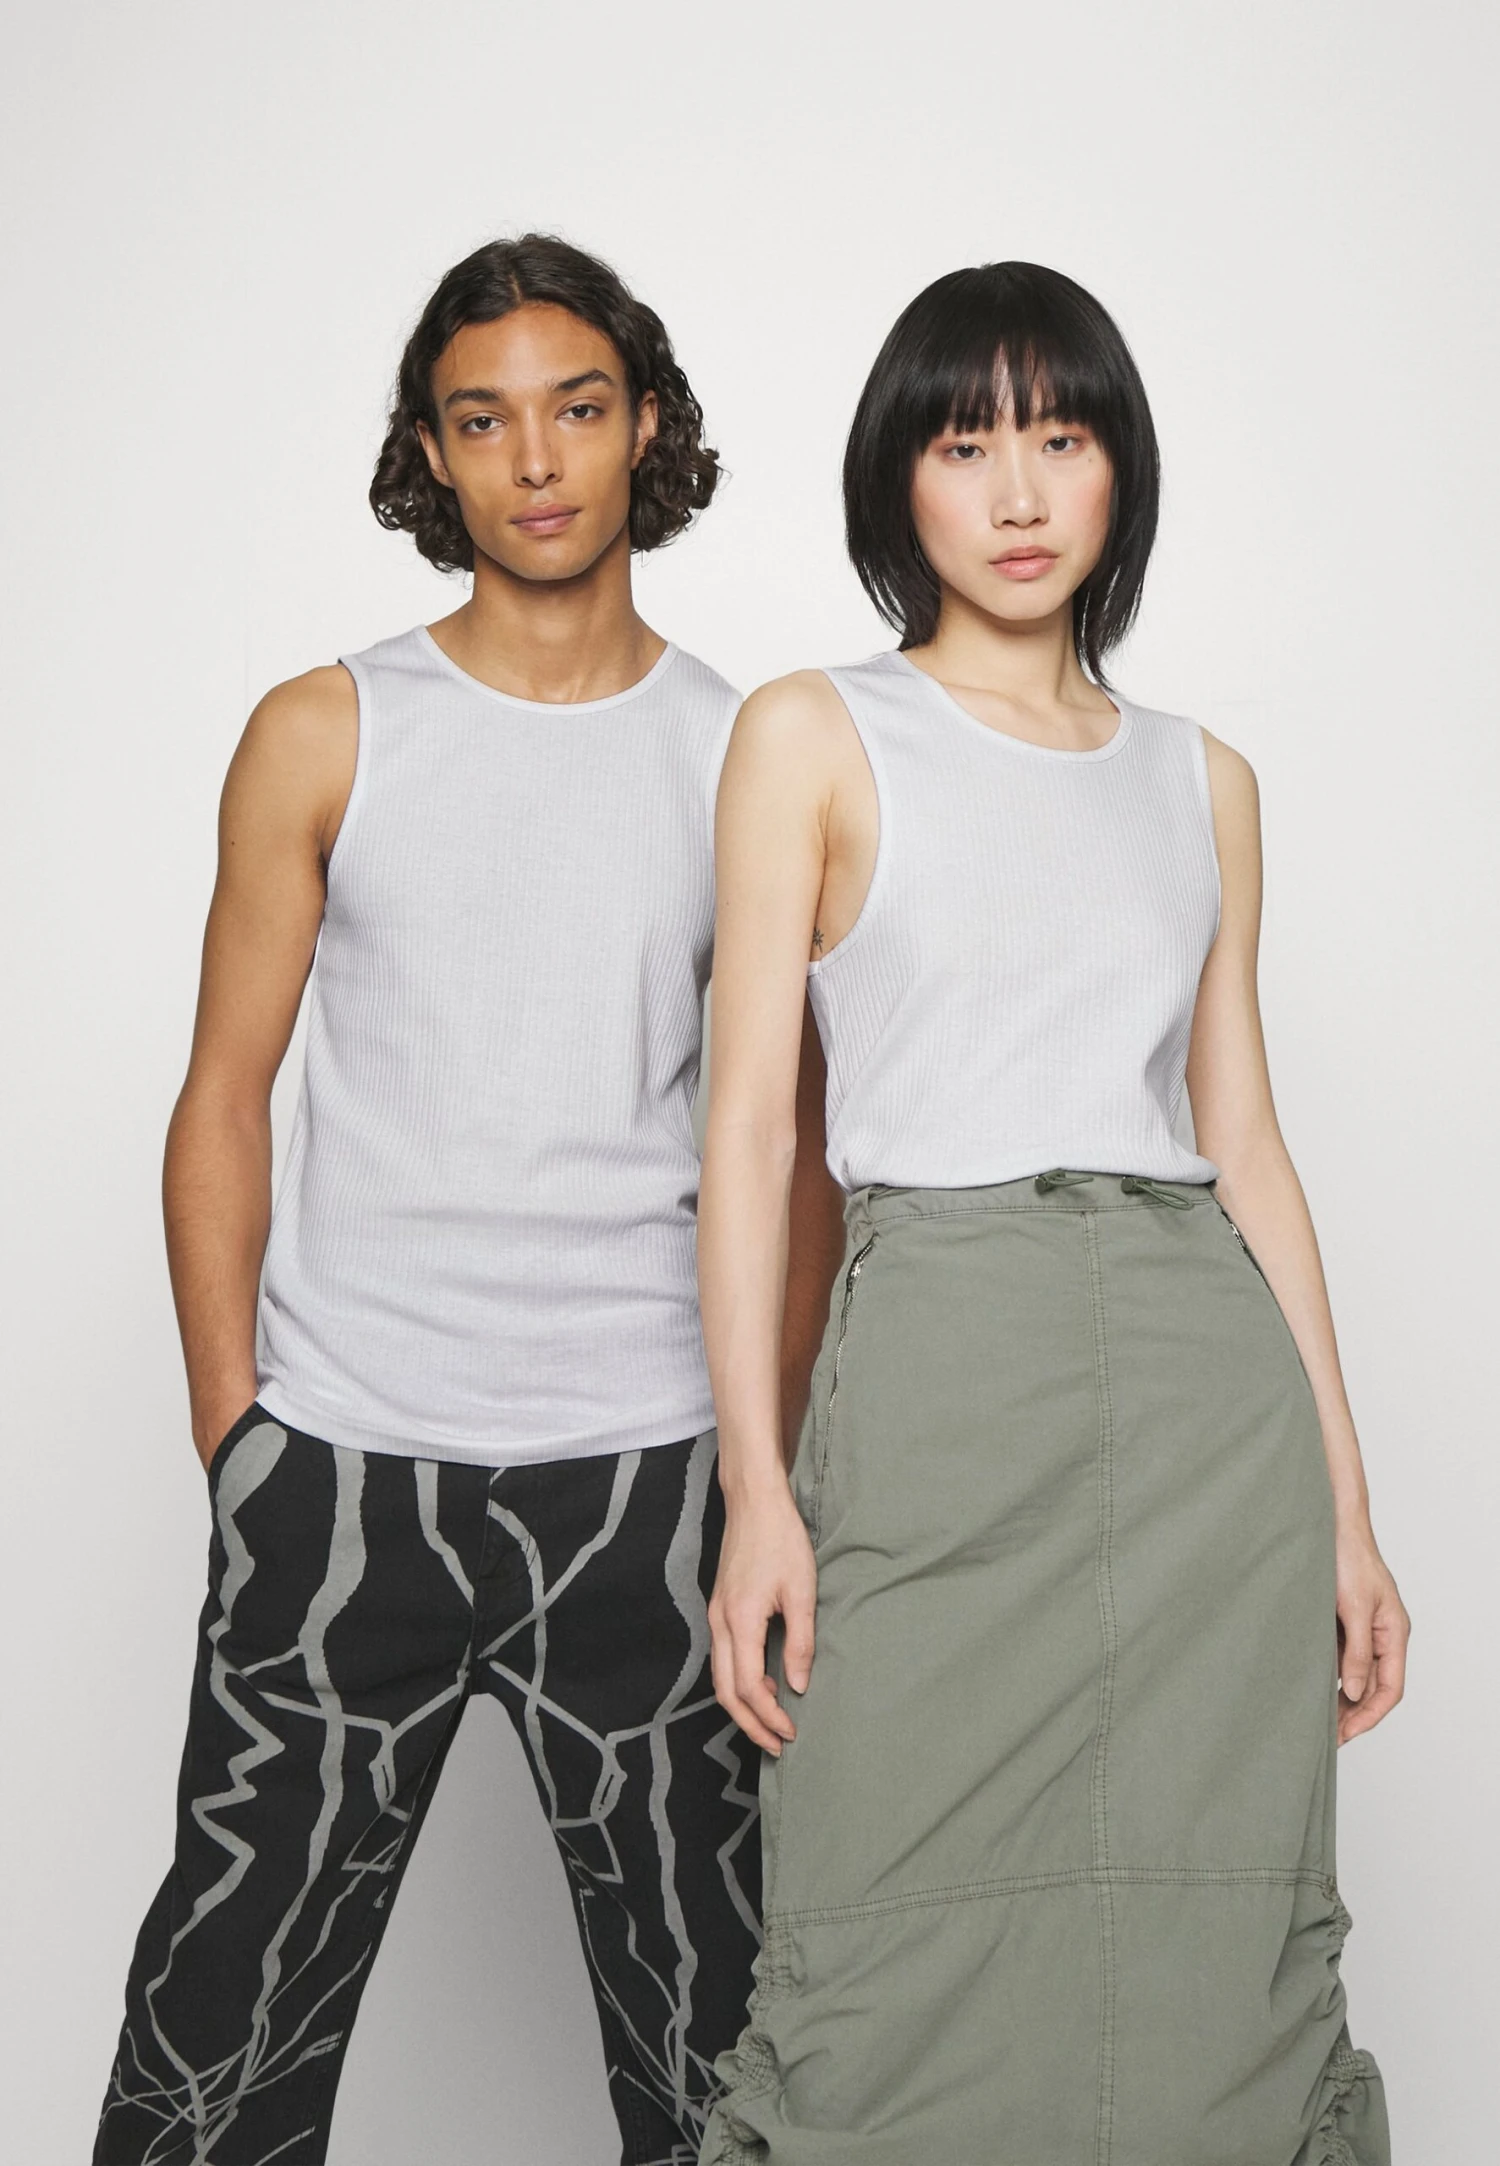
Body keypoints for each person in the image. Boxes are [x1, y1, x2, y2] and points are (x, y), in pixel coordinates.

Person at [697, 262, 1406, 2164]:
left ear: (1121, 471)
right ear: (897, 479)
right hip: (940, 1359)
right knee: (875, 1931)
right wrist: (758, 1488)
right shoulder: (809, 733)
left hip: (1203, 1411)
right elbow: (750, 1133)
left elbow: (1246, 1143)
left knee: (1215, 1945)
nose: (1017, 493)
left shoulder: (1205, 779)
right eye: (964, 442)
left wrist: (1347, 1510)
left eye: (1062, 437)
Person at [95, 234, 760, 2166]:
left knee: (722, 2073)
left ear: (645, 424)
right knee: (211, 2062)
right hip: (344, 1469)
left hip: (652, 1477)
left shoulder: (742, 753)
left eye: (577, 408)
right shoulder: (327, 727)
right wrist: (239, 1440)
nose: (535, 460)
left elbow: (777, 1146)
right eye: (484, 421)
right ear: (433, 452)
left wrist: (768, 1465)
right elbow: (221, 1099)